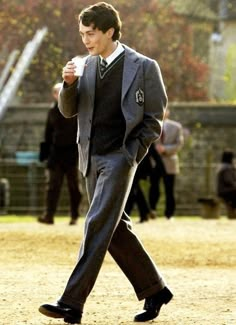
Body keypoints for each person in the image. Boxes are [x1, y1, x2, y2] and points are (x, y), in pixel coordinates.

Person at [38, 2, 173, 324]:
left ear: (109, 31)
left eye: (91, 33)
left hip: (120, 157)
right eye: (83, 33)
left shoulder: (143, 66)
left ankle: (71, 302)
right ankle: (155, 289)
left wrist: (132, 154)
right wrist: (68, 85)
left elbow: (155, 118)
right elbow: (68, 111)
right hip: (91, 157)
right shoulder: (83, 65)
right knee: (114, 229)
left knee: (97, 223)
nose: (86, 40)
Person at [38, 82, 82, 225]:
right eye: (57, 92)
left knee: (74, 187)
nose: (59, 94)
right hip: (56, 154)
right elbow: (47, 134)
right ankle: (49, 216)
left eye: (61, 91)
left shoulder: (75, 108)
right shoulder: (51, 111)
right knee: (52, 186)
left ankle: (74, 215)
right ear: (54, 95)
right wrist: (44, 155)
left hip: (72, 153)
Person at [149, 108, 184, 219]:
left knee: (169, 189)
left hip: (170, 161)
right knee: (154, 187)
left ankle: (169, 214)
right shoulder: (151, 125)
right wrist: (155, 149)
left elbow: (179, 144)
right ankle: (152, 210)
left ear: (168, 112)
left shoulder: (176, 126)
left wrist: (165, 149)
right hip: (155, 162)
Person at [217, 149, 236, 217]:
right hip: (226, 191)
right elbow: (229, 181)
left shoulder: (224, 168)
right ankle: (232, 213)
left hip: (224, 191)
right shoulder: (227, 168)